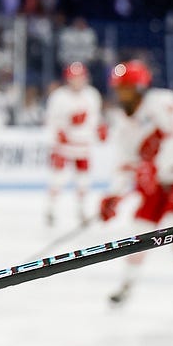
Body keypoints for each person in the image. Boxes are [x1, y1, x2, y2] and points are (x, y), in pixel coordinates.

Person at [100, 58, 173, 311]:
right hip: (161, 177)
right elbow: (124, 162)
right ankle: (127, 286)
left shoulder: (162, 102)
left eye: (127, 88)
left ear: (140, 87)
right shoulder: (123, 122)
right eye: (119, 89)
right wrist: (113, 195)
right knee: (140, 227)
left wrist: (154, 168)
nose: (122, 94)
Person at [44, 62, 104, 226]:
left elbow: (95, 119)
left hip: (83, 146)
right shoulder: (59, 96)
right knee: (58, 179)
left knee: (83, 181)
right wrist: (58, 135)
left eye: (80, 78)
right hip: (63, 147)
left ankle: (82, 209)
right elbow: (51, 120)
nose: (77, 81)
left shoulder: (92, 95)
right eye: (74, 78)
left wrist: (98, 131)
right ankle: (51, 210)